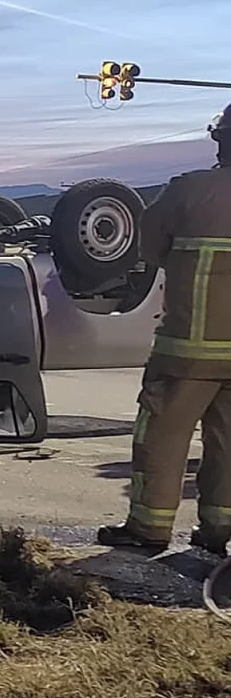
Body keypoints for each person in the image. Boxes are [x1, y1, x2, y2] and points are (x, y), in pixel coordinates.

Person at [99, 104, 231, 555]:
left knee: (161, 438)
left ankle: (148, 529)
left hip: (187, 353)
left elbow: (150, 248)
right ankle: (218, 533)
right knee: (229, 447)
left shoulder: (188, 192)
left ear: (220, 141)